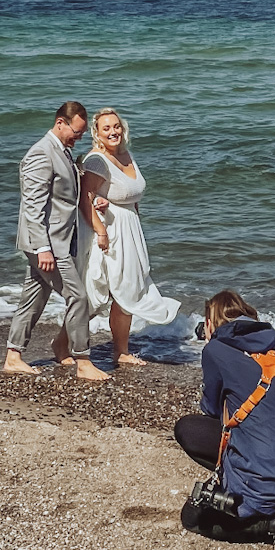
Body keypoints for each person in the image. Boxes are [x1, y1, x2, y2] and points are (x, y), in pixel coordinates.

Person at [174, 289, 275, 550]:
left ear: (209, 323)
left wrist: (211, 350)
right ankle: (265, 490)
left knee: (192, 515)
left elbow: (212, 412)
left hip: (270, 475)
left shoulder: (215, 349)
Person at [3, 102, 108, 383]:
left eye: (82, 133)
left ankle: (13, 357)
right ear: (61, 122)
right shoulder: (41, 153)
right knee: (79, 297)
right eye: (76, 131)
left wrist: (95, 200)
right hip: (47, 245)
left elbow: (65, 198)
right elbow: (32, 205)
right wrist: (42, 248)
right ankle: (83, 361)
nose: (79, 137)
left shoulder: (63, 152)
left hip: (57, 241)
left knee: (33, 299)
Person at [78, 108, 180, 367]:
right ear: (97, 134)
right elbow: (84, 198)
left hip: (130, 229)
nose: (113, 132)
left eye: (116, 126)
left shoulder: (126, 155)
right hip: (108, 233)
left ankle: (120, 351)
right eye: (106, 128)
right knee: (99, 294)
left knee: (129, 291)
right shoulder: (97, 160)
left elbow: (129, 195)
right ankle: (64, 344)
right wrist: (101, 231)